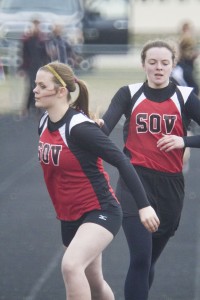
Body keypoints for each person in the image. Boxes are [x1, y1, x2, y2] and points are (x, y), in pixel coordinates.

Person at [34, 61, 159, 300]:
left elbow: (122, 161)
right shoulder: (43, 123)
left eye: (42, 85)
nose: (35, 90)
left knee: (71, 266)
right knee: (94, 283)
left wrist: (144, 206)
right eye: (35, 85)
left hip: (100, 210)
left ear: (61, 91)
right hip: (69, 216)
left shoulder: (79, 128)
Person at [99, 39, 200, 299]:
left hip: (170, 187)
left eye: (164, 63)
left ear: (173, 65)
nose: (158, 67)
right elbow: (103, 130)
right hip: (134, 182)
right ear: (143, 64)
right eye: (152, 62)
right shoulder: (129, 93)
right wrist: (90, 124)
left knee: (149, 261)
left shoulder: (185, 97)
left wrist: (184, 140)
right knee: (141, 259)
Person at [20, 19, 49, 116]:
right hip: (31, 67)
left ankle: (38, 108)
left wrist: (46, 66)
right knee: (31, 87)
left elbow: (45, 54)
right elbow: (24, 55)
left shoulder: (41, 40)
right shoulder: (27, 40)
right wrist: (23, 68)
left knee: (40, 87)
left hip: (39, 66)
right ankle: (27, 107)